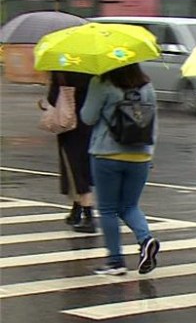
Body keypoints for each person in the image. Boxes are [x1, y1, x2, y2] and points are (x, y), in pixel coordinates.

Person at [80, 63, 160, 276]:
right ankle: (146, 239)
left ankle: (115, 261)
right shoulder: (147, 85)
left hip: (107, 154)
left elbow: (88, 117)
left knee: (107, 209)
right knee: (129, 206)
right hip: (140, 154)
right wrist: (149, 154)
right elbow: (153, 123)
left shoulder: (101, 82)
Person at [44, 71, 97, 232]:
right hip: (89, 124)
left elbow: (53, 99)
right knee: (83, 166)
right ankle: (76, 210)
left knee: (73, 169)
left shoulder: (61, 69)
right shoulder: (92, 70)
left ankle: (89, 216)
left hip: (69, 125)